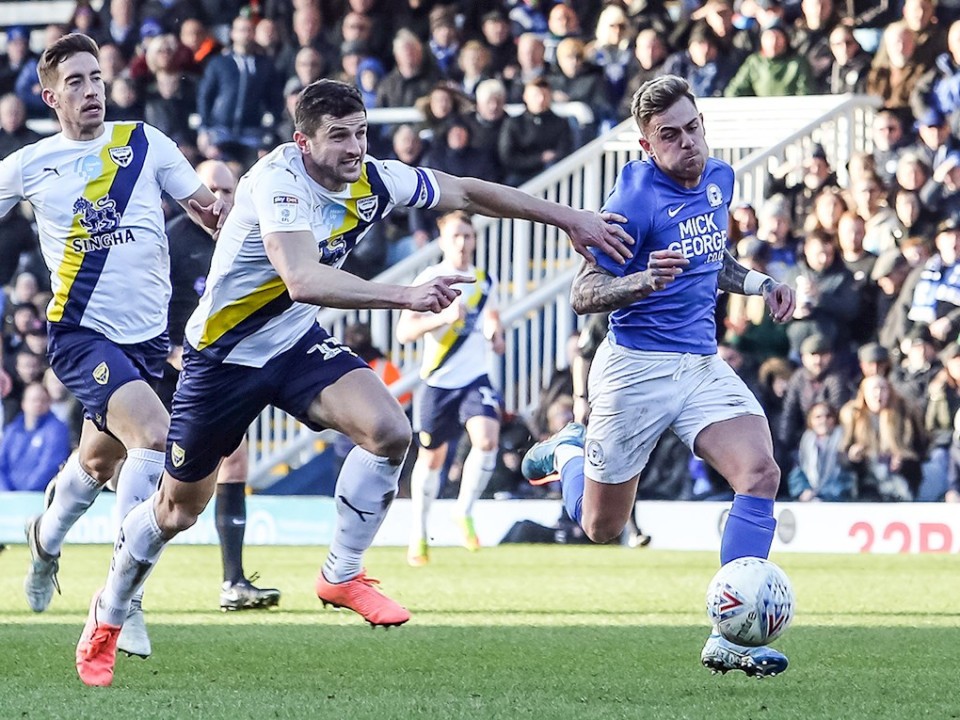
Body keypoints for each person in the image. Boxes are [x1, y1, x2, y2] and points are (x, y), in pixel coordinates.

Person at [74, 78, 633, 687]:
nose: (354, 147)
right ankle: (110, 606)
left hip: (293, 345)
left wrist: (568, 217)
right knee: (177, 510)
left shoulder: (375, 178)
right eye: (338, 136)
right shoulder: (277, 183)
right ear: (303, 143)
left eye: (361, 132)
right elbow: (303, 280)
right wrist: (406, 295)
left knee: (390, 431)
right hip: (224, 359)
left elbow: (467, 191)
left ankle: (341, 574)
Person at [520, 75, 796, 678]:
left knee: (759, 472)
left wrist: (760, 284)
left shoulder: (720, 179)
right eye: (669, 135)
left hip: (699, 364)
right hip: (635, 370)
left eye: (692, 128)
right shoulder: (633, 200)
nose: (686, 142)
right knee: (602, 526)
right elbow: (584, 294)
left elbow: (711, 258)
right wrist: (642, 281)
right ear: (646, 145)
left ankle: (729, 639)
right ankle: (567, 451)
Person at [0, 33, 224, 659]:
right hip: (80, 334)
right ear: (50, 97)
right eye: (74, 81)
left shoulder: (145, 143)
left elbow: (205, 209)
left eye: (96, 77)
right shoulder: (30, 164)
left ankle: (44, 538)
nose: (91, 90)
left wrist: (233, 225)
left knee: (98, 463)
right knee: (153, 437)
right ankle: (125, 600)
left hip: (148, 340)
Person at [162, 160, 281, 611]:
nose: (219, 200)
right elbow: (147, 298)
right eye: (211, 189)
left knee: (234, 463)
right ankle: (68, 497)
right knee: (130, 464)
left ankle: (234, 581)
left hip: (221, 367)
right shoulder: (172, 239)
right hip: (165, 366)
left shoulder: (248, 234)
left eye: (228, 191)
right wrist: (169, 349)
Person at [396, 211, 505, 566]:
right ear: (442, 241)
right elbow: (404, 332)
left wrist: (495, 334)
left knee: (487, 440)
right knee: (432, 458)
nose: (462, 243)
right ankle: (419, 531)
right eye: (456, 236)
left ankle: (464, 510)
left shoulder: (485, 280)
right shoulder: (430, 279)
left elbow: (491, 316)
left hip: (475, 377)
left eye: (468, 236)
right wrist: (444, 318)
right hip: (438, 379)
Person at [0, 382, 71, 492]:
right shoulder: (12, 430)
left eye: (43, 400)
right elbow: (1, 464)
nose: (38, 404)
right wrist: (6, 491)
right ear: (23, 403)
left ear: (49, 403)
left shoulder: (57, 430)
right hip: (8, 495)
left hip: (39, 495)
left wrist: (25, 493)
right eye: (34, 400)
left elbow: (49, 466)